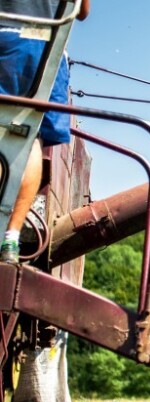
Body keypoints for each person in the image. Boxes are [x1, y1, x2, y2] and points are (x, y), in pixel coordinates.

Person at [0, 0, 89, 263]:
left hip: (5, 38)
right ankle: (11, 238)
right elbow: (82, 12)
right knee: (31, 137)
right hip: (48, 52)